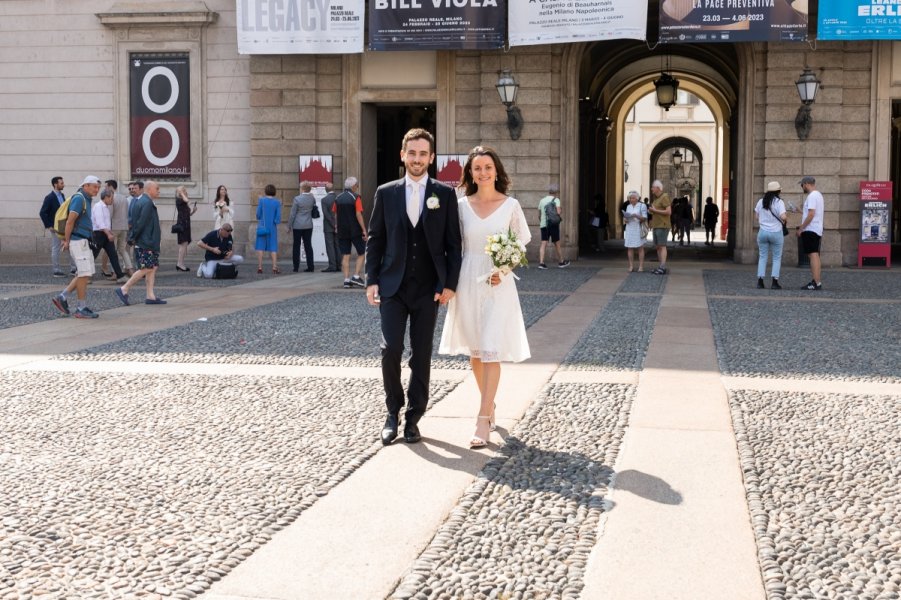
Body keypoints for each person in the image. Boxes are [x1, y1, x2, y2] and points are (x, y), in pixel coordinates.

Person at [365, 128, 462, 446]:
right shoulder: (386, 192)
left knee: (420, 355)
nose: (417, 159)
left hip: (428, 290)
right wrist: (372, 279)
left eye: (423, 154)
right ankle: (392, 411)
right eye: (412, 153)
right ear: (402, 155)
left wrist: (449, 284)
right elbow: (376, 238)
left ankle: (413, 419)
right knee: (390, 349)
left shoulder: (444, 195)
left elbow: (453, 244)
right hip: (392, 285)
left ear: (431, 158)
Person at [438, 146, 530, 448]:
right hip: (467, 278)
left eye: (488, 167)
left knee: (490, 347)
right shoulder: (460, 206)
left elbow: (520, 244)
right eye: (477, 168)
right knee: (476, 351)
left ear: (496, 170)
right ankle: (489, 405)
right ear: (470, 173)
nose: (483, 172)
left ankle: (481, 418)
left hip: (497, 283)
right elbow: (452, 245)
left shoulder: (511, 205)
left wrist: (504, 269)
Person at [51, 176, 102, 319]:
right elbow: (70, 221)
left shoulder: (86, 199)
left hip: (83, 241)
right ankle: (81, 308)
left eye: (98, 187)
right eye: (94, 187)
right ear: (85, 185)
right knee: (84, 273)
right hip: (78, 241)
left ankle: (63, 296)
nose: (97, 190)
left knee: (84, 273)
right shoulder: (79, 199)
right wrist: (66, 241)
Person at [116, 180, 166, 306]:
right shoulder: (146, 202)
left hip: (148, 240)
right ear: (149, 189)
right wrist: (133, 238)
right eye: (157, 188)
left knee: (152, 267)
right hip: (146, 241)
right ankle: (124, 289)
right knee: (147, 267)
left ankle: (150, 296)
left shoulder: (143, 201)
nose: (159, 191)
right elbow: (140, 223)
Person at [334, 177, 367, 288]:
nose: (357, 187)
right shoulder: (356, 198)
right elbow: (358, 214)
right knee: (362, 252)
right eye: (357, 186)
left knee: (346, 255)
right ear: (353, 186)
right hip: (355, 230)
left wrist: (336, 226)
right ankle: (356, 276)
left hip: (342, 230)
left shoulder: (338, 198)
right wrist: (364, 229)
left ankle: (346, 280)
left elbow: (335, 214)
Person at [754, 181, 787, 289]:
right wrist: (786, 217)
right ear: (778, 191)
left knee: (763, 256)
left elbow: (756, 217)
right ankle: (774, 282)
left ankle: (760, 281)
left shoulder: (761, 201)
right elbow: (783, 217)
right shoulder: (779, 202)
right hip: (776, 232)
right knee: (776, 257)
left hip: (763, 232)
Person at [39, 175, 74, 277]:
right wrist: (49, 225)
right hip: (55, 227)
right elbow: (42, 212)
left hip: (64, 226)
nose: (63, 184)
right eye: (61, 183)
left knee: (69, 245)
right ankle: (56, 270)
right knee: (56, 247)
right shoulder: (49, 198)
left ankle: (73, 268)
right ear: (55, 184)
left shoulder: (62, 196)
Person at [91, 189, 126, 282]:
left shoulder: (105, 207)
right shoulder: (98, 206)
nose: (112, 200)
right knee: (93, 254)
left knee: (113, 255)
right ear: (106, 197)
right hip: (99, 234)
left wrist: (109, 233)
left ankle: (120, 275)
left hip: (106, 233)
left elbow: (106, 223)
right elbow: (100, 223)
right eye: (111, 198)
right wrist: (108, 234)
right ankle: (82, 274)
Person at [796, 175, 824, 290]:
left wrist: (801, 228)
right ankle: (816, 281)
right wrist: (799, 211)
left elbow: (811, 214)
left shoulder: (812, 196)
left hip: (810, 229)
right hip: (816, 229)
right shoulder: (818, 195)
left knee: (813, 255)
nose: (802, 187)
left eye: (802, 185)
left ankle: (816, 282)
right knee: (814, 255)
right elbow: (811, 213)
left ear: (806, 184)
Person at [536, 183, 570, 269]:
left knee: (543, 243)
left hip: (544, 225)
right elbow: (558, 212)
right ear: (556, 192)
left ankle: (541, 263)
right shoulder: (556, 200)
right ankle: (561, 262)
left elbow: (539, 215)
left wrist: (542, 221)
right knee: (557, 243)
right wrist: (560, 209)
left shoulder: (542, 200)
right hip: (553, 225)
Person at [287, 181, 317, 272]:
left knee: (296, 245)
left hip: (297, 225)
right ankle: (310, 266)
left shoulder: (297, 199)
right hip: (308, 224)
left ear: (303, 189)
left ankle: (296, 267)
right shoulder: (312, 198)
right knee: (308, 245)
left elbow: (292, 214)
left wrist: (289, 226)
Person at [106, 180, 134, 276]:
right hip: (124, 226)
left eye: (106, 186)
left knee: (112, 251)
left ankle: (114, 272)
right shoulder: (124, 198)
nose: (105, 189)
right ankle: (130, 269)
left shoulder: (111, 197)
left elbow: (109, 214)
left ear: (110, 187)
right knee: (122, 250)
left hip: (114, 227)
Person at [255, 184, 282, 274]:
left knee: (260, 246)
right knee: (273, 247)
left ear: (265, 191)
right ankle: (274, 267)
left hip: (262, 225)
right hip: (272, 227)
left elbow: (258, 215)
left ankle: (260, 267)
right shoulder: (277, 202)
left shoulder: (261, 201)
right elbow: (278, 218)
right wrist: (274, 222)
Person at [648, 180, 672, 275]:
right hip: (656, 225)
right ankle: (660, 266)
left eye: (653, 187)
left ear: (658, 188)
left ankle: (662, 267)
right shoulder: (656, 199)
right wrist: (651, 211)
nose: (651, 189)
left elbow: (669, 212)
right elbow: (656, 210)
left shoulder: (664, 197)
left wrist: (655, 210)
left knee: (662, 246)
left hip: (663, 225)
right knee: (658, 247)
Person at [623, 190, 647, 273]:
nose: (631, 200)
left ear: (637, 198)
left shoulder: (642, 206)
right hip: (629, 228)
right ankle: (631, 266)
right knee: (629, 247)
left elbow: (644, 218)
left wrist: (636, 215)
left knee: (640, 248)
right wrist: (625, 219)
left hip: (638, 228)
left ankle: (641, 266)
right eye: (630, 198)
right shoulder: (628, 206)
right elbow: (626, 217)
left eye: (633, 198)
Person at [174, 186, 197, 272]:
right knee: (183, 244)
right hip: (182, 224)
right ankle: (179, 264)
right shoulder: (179, 200)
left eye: (184, 190)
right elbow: (187, 200)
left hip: (186, 223)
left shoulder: (183, 201)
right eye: (183, 190)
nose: (185, 191)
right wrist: (181, 193)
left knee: (185, 243)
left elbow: (188, 214)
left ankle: (181, 263)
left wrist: (193, 211)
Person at [319, 182, 340, 272]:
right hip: (338, 226)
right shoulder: (339, 198)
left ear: (325, 189)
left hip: (328, 226)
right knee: (337, 246)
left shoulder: (324, 200)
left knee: (330, 246)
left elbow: (326, 214)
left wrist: (333, 224)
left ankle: (332, 266)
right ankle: (339, 265)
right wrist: (336, 224)